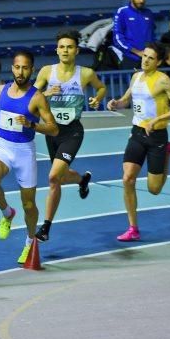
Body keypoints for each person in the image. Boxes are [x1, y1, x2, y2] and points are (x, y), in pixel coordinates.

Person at [0, 51, 59, 264]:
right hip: (2, 146)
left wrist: (32, 124)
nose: (20, 72)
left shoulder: (37, 98)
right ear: (12, 68)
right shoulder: (1, 89)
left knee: (29, 205)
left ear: (31, 70)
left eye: (25, 68)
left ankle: (29, 241)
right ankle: (7, 213)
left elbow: (54, 129)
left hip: (24, 151)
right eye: (17, 67)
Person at [107, 43, 170, 241]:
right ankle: (133, 228)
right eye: (144, 56)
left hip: (157, 137)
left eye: (151, 58)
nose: (146, 60)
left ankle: (168, 153)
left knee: (154, 189)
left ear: (158, 62)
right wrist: (116, 103)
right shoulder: (136, 77)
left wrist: (158, 120)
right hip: (137, 133)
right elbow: (126, 100)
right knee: (127, 179)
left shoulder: (163, 80)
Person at [32, 31, 106, 242]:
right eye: (62, 47)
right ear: (57, 50)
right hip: (51, 131)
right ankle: (82, 179)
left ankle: (45, 227)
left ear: (76, 50)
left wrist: (96, 99)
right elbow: (31, 97)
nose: (65, 50)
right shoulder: (47, 72)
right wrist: (46, 94)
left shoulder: (85, 74)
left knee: (54, 177)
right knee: (61, 176)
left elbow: (101, 88)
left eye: (69, 47)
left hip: (72, 131)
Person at [112, 0, 155, 70]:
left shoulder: (149, 13)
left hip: (148, 59)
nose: (142, 0)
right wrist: (137, 52)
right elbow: (118, 39)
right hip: (129, 59)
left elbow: (152, 36)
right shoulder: (122, 12)